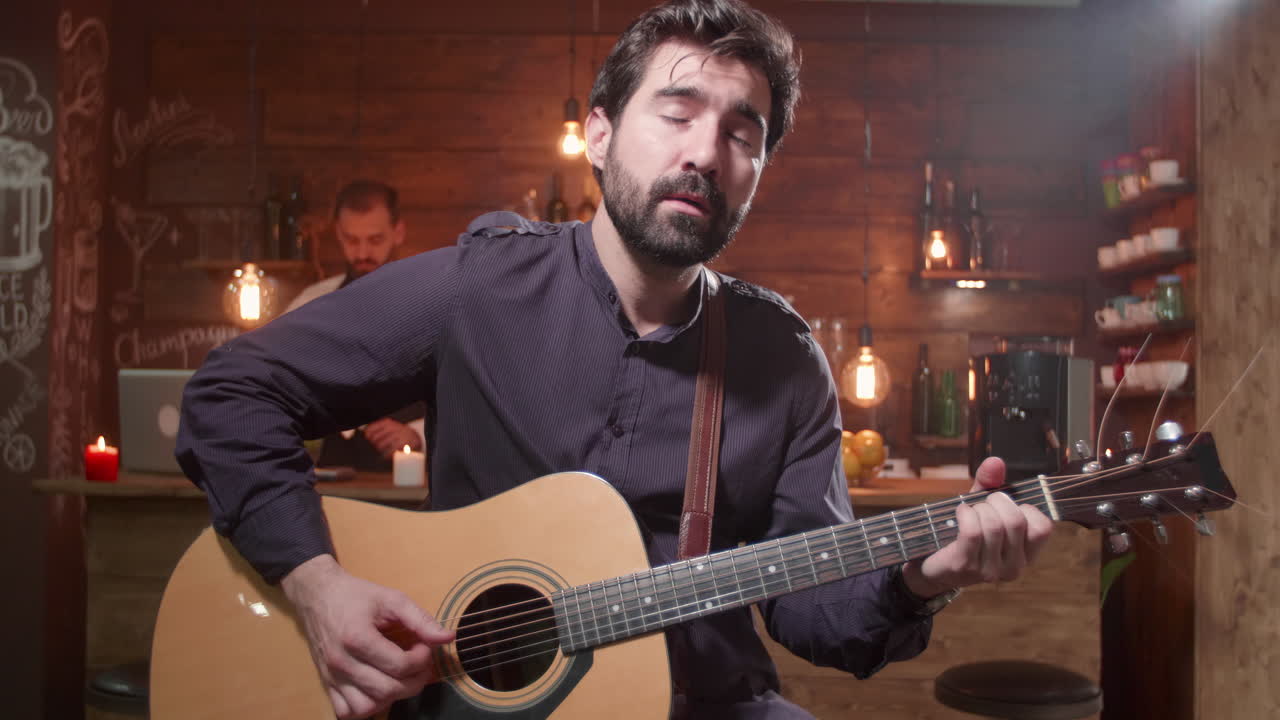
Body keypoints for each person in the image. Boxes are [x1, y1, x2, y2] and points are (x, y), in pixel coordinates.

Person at [176, 2, 1052, 718]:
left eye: (742, 135)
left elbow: (813, 611)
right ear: (598, 135)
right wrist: (317, 585)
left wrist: (919, 576)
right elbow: (231, 393)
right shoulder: (477, 289)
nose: (704, 152)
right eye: (676, 112)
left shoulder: (783, 360)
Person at [285, 180, 425, 469]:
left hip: (415, 480)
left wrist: (418, 433)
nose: (362, 254)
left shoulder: (434, 304)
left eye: (375, 240)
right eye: (351, 240)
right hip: (328, 476)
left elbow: (469, 395)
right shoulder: (311, 304)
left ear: (398, 232)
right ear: (338, 233)